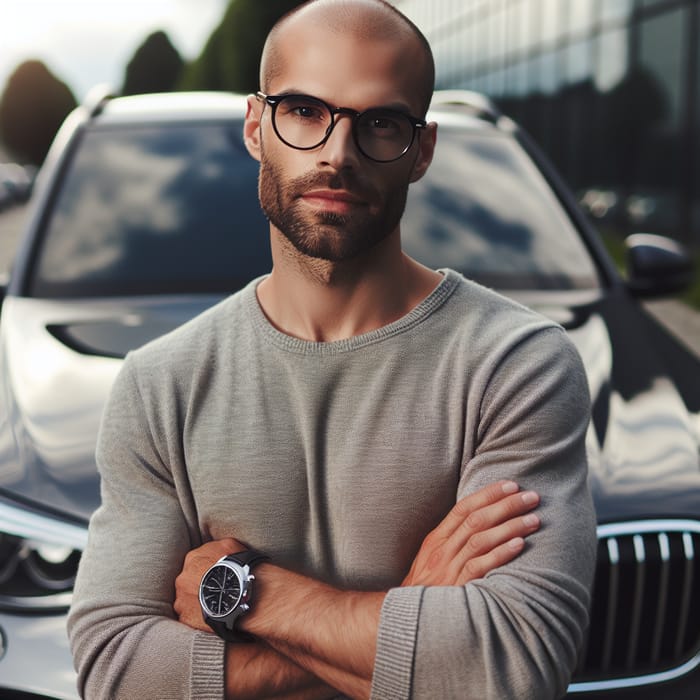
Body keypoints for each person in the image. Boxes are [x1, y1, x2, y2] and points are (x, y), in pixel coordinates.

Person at [67, 0, 597, 698]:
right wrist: (412, 609)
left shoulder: (516, 366)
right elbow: (116, 670)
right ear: (258, 126)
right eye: (306, 111)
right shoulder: (160, 384)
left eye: (380, 123)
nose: (337, 153)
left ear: (422, 150)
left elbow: (513, 666)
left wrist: (252, 597)